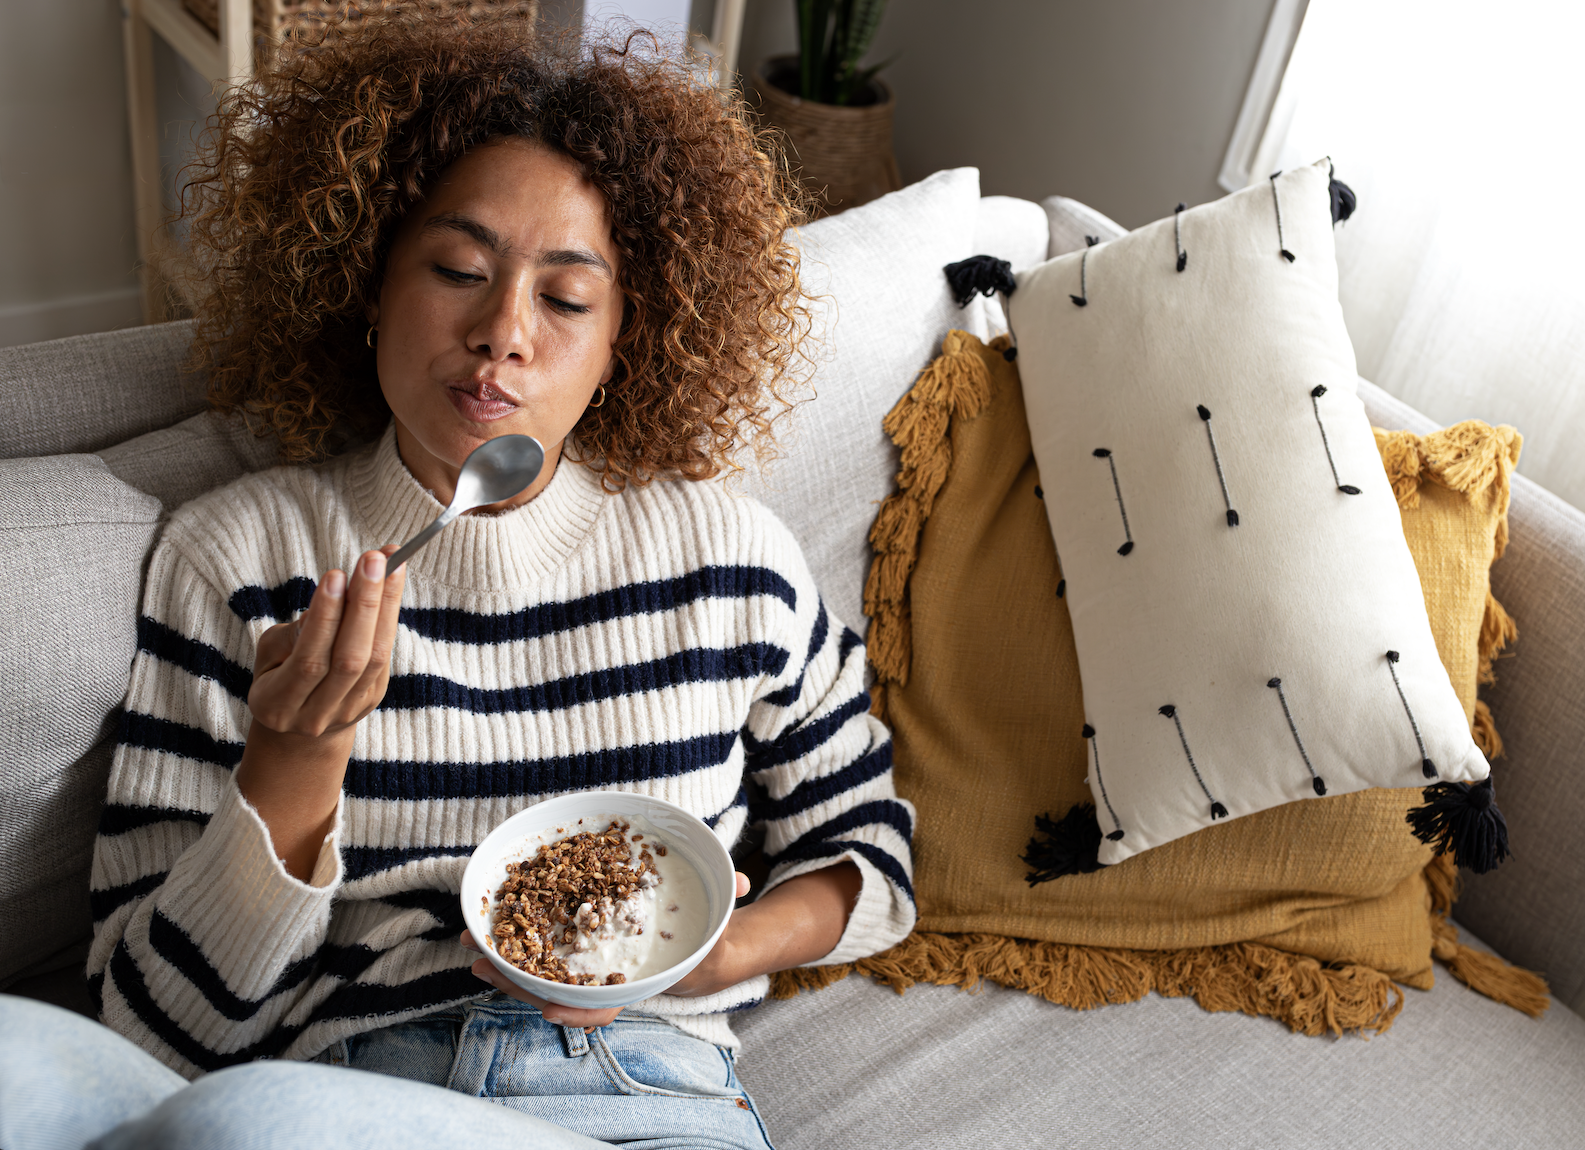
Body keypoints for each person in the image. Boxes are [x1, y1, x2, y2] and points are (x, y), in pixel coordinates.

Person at [0, 9, 913, 1149]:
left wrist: (718, 953)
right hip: (347, 1083)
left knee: (246, 1126)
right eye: (457, 270)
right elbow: (152, 1027)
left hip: (638, 1095)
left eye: (566, 299)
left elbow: (869, 855)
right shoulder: (236, 560)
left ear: (631, 333)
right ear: (370, 282)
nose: (501, 333)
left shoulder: (727, 560)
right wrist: (289, 780)